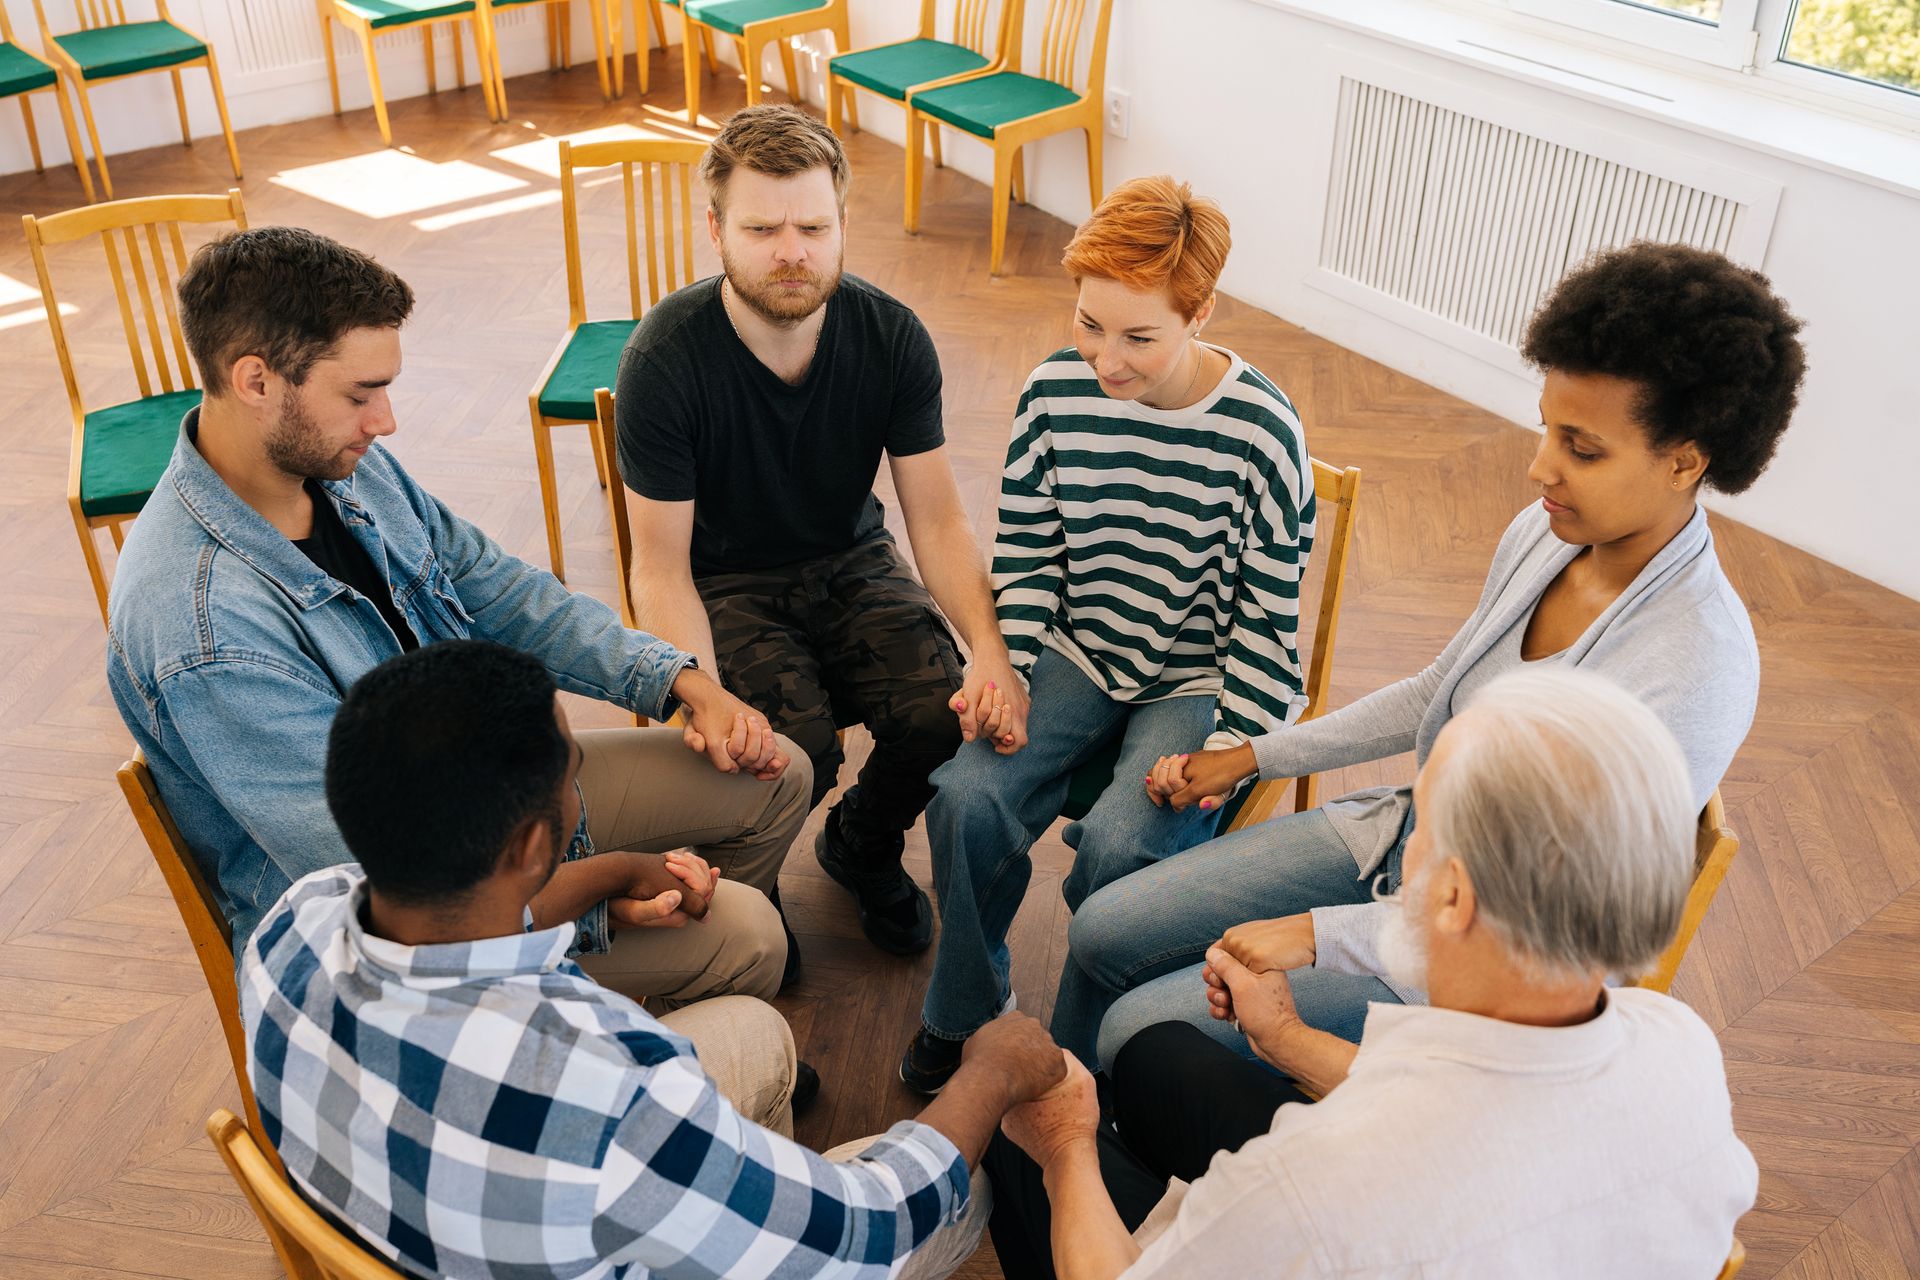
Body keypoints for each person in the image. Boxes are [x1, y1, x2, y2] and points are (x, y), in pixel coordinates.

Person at [1072, 241, 1806, 1067]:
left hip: (1477, 966)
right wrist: (1252, 755)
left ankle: (1108, 1143)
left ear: (1686, 460)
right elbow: (1438, 692)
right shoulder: (1546, 533)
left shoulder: (1695, 667)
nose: (1541, 468)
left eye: (1582, 448)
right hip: (1403, 842)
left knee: (1138, 1031)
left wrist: (1322, 936)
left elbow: (1540, 925)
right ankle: (1056, 1103)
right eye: (1547, 431)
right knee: (1102, 928)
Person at [107, 226, 809, 1027]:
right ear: (257, 380)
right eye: (361, 392)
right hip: (404, 962)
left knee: (774, 770)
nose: (387, 421)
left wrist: (677, 679)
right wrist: (606, 890)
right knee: (751, 935)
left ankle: (637, 1006)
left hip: (488, 802)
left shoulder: (338, 460)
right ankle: (599, 1043)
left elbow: (497, 587)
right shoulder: (201, 626)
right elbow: (395, 887)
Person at [242, 640, 1070, 1280]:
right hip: (623, 1188)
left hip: (431, 1221)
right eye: (573, 774)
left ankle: (743, 1207)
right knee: (973, 1192)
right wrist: (989, 1074)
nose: (579, 787)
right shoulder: (610, 1085)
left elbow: (465, 916)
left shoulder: (293, 927)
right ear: (534, 843)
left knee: (754, 1030)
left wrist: (610, 874)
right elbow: (872, 1226)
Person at [984, 666, 1759, 1279]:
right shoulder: (1679, 1044)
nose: (1404, 851)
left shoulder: (1316, 1187)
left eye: (1422, 821)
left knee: (1012, 1132)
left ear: (1453, 895)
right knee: (1159, 1055)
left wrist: (1064, 1142)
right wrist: (1283, 1037)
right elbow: (1475, 1122)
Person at [901, 177, 1315, 1091]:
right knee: (966, 801)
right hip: (1078, 650)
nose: (1106, 362)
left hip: (1199, 679)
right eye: (1089, 324)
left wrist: (1224, 746)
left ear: (1200, 313)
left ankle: (1080, 1058)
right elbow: (1028, 555)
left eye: (1139, 337)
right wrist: (1002, 663)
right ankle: (963, 1008)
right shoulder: (1055, 390)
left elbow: (1264, 625)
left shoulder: (1263, 433)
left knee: (1126, 853)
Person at [615, 105, 1023, 962]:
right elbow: (656, 568)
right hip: (721, 579)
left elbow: (938, 518)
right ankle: (751, 899)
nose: (791, 251)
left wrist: (987, 644)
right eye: (763, 228)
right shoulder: (664, 359)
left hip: (849, 557)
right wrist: (703, 693)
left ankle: (861, 845)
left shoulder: (891, 336)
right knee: (781, 753)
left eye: (813, 225)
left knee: (936, 713)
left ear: (843, 224)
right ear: (717, 229)